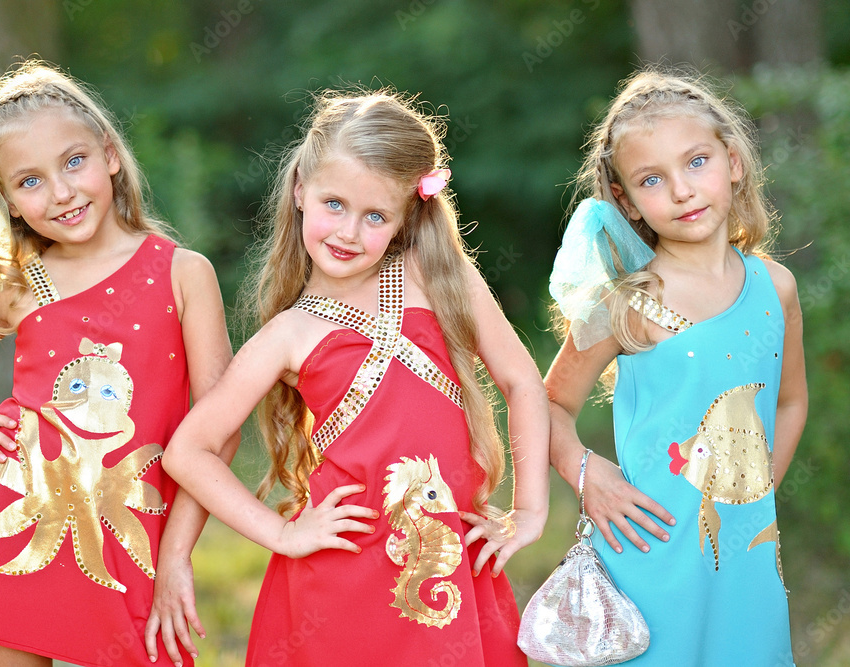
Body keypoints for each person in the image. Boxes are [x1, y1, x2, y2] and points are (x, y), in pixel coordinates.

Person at [161, 90, 550, 666]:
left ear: (404, 219)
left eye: (375, 216)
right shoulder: (288, 334)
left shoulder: (435, 275)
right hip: (342, 574)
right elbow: (187, 452)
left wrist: (531, 510)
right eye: (334, 204)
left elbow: (522, 382)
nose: (348, 232)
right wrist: (283, 534)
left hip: (447, 555)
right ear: (300, 191)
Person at [0, 60, 236, 667]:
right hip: (10, 530)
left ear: (110, 155)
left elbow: (220, 430)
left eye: (74, 162)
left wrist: (175, 558)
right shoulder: (16, 286)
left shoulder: (184, 274)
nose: (60, 192)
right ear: (5, 200)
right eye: (29, 181)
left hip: (131, 539)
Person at [545, 67, 808, 666]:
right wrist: (587, 474)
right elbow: (548, 403)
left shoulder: (778, 288)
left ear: (734, 161)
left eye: (696, 162)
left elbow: (791, 401)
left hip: (747, 563)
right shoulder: (626, 305)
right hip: (648, 557)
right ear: (627, 201)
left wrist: (756, 487)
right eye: (652, 179)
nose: (683, 190)